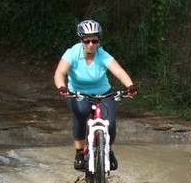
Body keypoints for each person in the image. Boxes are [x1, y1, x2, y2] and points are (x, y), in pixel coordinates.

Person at [54, 19, 138, 171]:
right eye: (87, 40)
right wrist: (62, 87)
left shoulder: (102, 54)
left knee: (110, 123)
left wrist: (130, 85)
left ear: (99, 40)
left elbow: (118, 71)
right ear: (81, 40)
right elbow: (59, 72)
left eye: (95, 40)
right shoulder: (72, 53)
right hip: (78, 94)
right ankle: (79, 153)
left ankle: (108, 150)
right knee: (81, 113)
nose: (91, 44)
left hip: (104, 94)